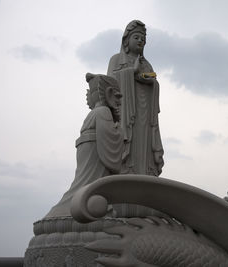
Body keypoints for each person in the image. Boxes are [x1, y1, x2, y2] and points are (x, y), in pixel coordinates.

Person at [45, 73, 124, 218]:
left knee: (83, 187)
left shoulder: (93, 114)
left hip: (90, 158)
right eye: (118, 97)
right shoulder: (103, 111)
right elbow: (110, 140)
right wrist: (119, 130)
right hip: (96, 160)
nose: (119, 103)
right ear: (109, 94)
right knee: (89, 189)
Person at [107, 20, 164, 176]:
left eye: (143, 40)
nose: (140, 41)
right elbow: (109, 85)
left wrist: (150, 81)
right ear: (126, 40)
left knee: (145, 140)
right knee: (129, 141)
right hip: (126, 113)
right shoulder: (116, 59)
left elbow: (154, 83)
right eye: (137, 37)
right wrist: (131, 72)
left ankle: (146, 171)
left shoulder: (147, 65)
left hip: (145, 114)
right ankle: (128, 170)